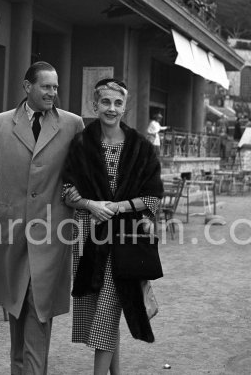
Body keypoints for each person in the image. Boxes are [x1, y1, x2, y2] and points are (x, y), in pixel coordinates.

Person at [0, 61, 84, 375]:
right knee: (16, 307)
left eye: (56, 87)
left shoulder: (72, 125)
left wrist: (82, 197)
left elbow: (84, 172)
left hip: (52, 234)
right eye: (46, 86)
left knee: (38, 307)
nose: (52, 93)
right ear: (27, 86)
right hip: (11, 233)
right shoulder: (0, 124)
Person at [61, 78, 164, 375]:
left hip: (124, 240)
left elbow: (153, 196)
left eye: (118, 103)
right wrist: (91, 205)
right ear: (95, 105)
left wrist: (120, 207)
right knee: (102, 310)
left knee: (107, 309)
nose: (112, 108)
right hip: (88, 237)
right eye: (105, 102)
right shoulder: (80, 144)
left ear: (125, 107)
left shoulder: (141, 147)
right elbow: (66, 190)